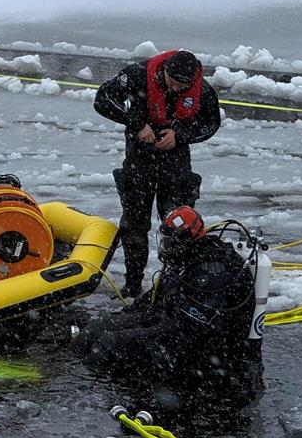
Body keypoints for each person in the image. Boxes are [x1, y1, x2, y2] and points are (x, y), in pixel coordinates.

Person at [72, 206, 261, 402]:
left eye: (170, 241)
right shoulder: (185, 257)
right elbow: (152, 298)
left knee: (109, 344)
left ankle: (83, 393)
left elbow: (204, 323)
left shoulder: (215, 271)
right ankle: (70, 373)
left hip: (201, 345)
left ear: (186, 238)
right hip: (172, 322)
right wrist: (123, 316)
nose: (166, 246)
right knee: (96, 329)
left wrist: (173, 294)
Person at [94, 49, 221, 298]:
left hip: (176, 164)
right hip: (139, 160)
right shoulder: (137, 75)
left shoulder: (202, 90)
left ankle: (174, 287)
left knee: (179, 226)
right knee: (134, 225)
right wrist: (137, 124)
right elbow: (102, 100)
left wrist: (180, 135)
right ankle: (132, 286)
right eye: (171, 82)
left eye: (181, 86)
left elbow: (211, 124)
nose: (174, 89)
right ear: (164, 71)